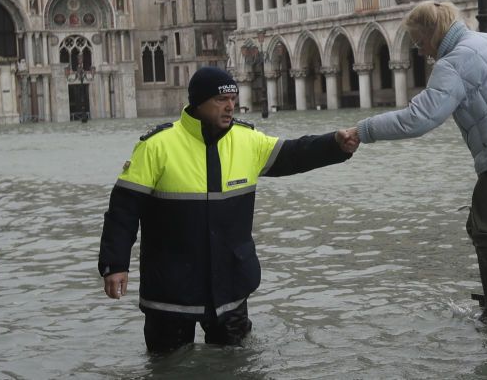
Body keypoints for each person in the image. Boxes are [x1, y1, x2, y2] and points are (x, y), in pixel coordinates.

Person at [99, 66, 359, 355]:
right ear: (199, 103)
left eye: (233, 99)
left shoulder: (248, 140)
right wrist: (115, 265)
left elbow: (295, 153)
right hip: (170, 289)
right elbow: (123, 210)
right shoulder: (157, 146)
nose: (230, 106)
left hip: (231, 287)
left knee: (238, 366)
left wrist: (335, 145)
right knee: (167, 367)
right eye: (221, 100)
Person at [348, 1, 487, 342]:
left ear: (432, 33)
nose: (422, 51)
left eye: (419, 42)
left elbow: (420, 118)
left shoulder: (454, 62)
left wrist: (364, 130)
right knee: (480, 226)